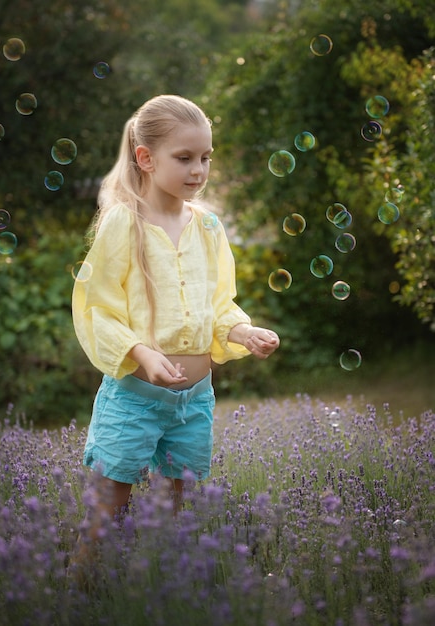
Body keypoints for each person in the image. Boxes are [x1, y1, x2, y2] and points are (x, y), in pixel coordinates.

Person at [72, 94, 280, 537]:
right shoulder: (123, 224)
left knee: (174, 512)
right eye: (184, 158)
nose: (198, 170)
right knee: (109, 509)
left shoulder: (208, 228)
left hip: (194, 402)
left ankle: (157, 592)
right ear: (145, 158)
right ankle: (82, 591)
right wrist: (142, 353)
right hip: (134, 399)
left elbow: (217, 305)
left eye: (205, 157)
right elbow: (98, 309)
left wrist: (242, 330)